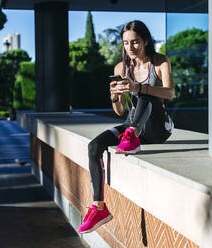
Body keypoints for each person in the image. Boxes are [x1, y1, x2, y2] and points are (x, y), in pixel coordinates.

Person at [77, 20, 175, 234]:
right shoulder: (121, 68)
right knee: (94, 146)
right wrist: (115, 97)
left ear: (146, 41)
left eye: (135, 42)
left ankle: (132, 135)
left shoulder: (160, 62)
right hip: (133, 126)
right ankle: (99, 207)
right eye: (126, 43)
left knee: (145, 95)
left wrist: (137, 87)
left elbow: (169, 93)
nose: (130, 47)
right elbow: (120, 112)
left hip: (158, 128)